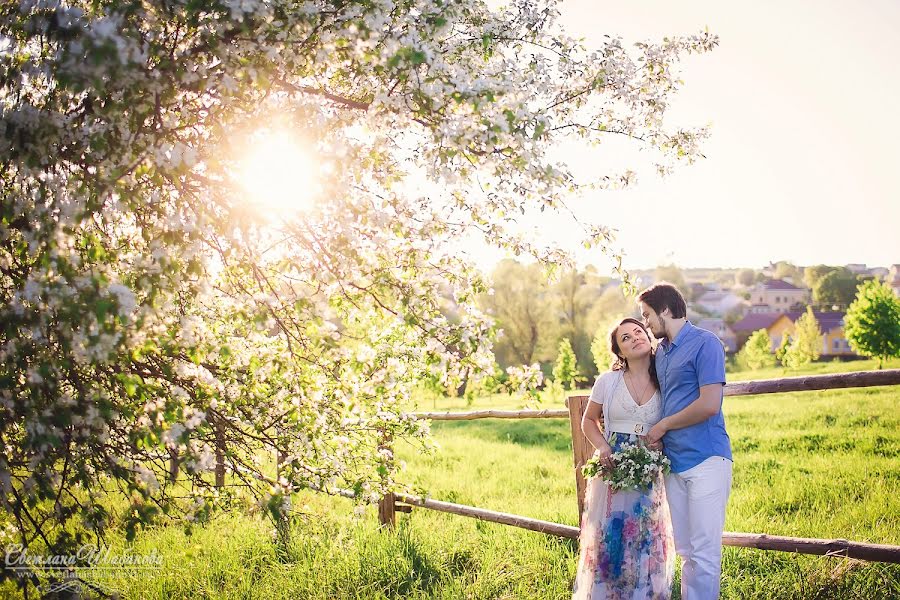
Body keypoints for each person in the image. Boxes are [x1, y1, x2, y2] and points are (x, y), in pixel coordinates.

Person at [639, 283, 732, 600]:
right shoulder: (661, 353)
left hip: (707, 460)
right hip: (673, 465)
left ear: (665, 310)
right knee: (687, 551)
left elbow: (709, 404)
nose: (646, 323)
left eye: (648, 315)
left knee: (705, 554)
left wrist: (663, 425)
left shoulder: (706, 344)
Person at [573, 318, 674, 599]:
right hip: (613, 466)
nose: (634, 338)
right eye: (625, 338)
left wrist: (661, 440)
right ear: (620, 351)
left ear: (648, 336)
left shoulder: (665, 379)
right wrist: (603, 447)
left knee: (646, 534)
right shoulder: (608, 381)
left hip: (649, 466)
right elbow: (588, 421)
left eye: (638, 332)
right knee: (612, 536)